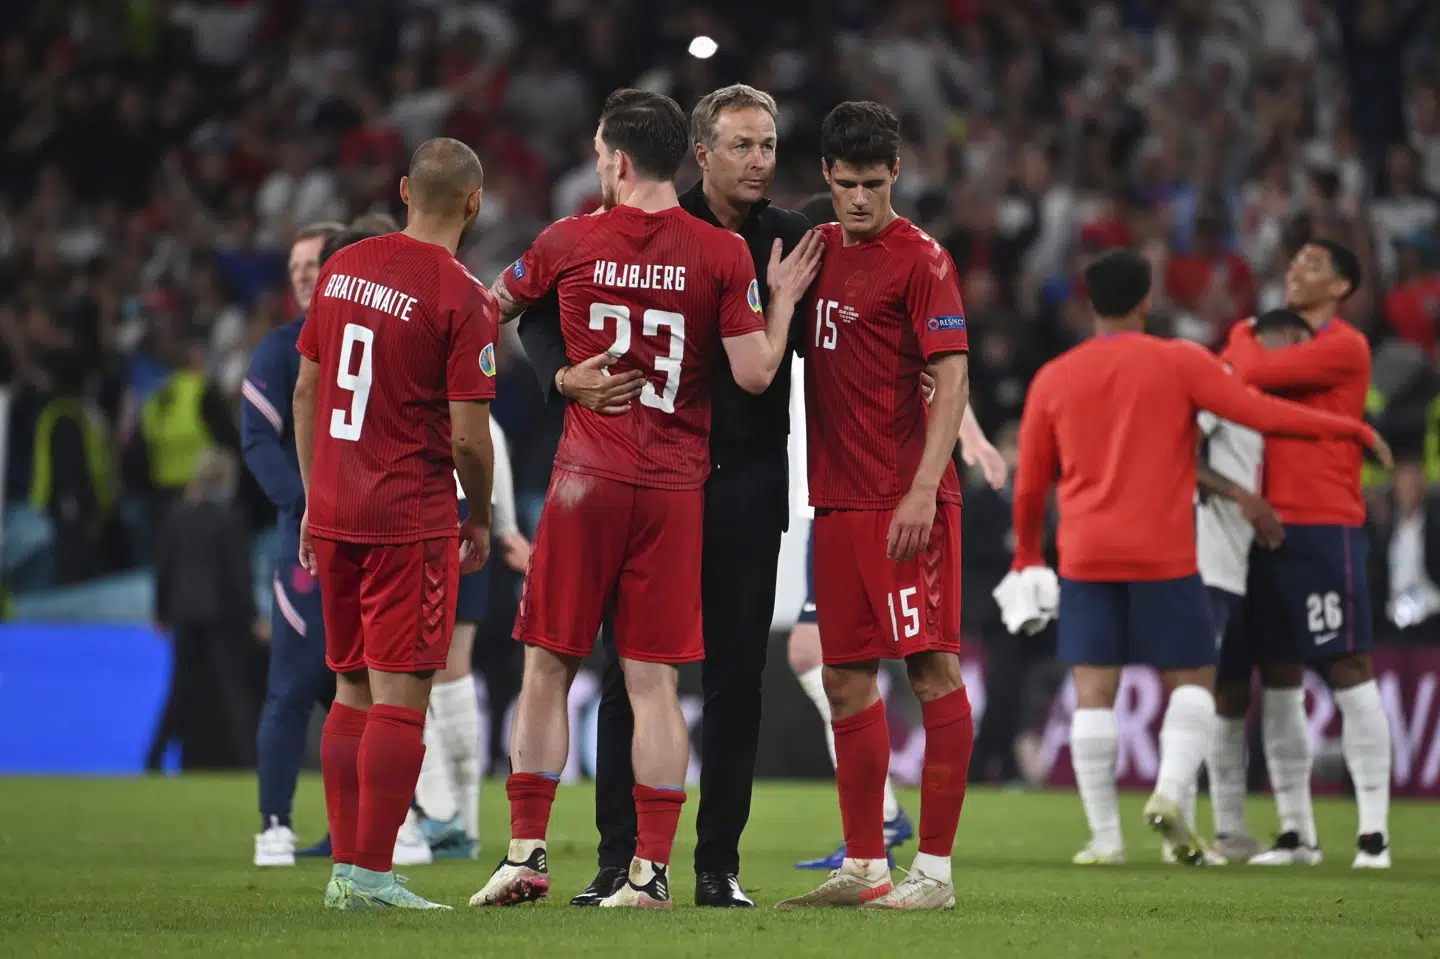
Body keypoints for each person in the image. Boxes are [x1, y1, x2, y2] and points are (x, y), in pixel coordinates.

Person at [469, 88, 822, 910]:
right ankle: (651, 873)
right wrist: (786, 304)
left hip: (586, 478)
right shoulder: (721, 254)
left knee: (550, 664)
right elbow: (759, 374)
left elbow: (491, 307)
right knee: (655, 682)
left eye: (599, 153)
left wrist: (562, 378)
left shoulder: (568, 239)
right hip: (676, 486)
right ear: (684, 156)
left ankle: (526, 853)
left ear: (619, 159)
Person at [1008, 249, 1388, 867]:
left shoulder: (1053, 377)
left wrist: (1028, 553)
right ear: (1145, 302)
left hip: (1085, 552)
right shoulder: (1180, 361)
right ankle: (1168, 791)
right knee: (1194, 682)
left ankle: (1106, 840)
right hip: (1164, 552)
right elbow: (1259, 411)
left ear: (1088, 303)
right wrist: (1351, 430)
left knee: (1093, 692)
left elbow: (1030, 484)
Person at [777, 100, 976, 912]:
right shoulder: (813, 251)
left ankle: (934, 871)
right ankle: (865, 865)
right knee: (847, 680)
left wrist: (925, 487)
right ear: (825, 175)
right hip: (836, 502)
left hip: (906, 502)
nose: (859, 199)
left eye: (873, 183)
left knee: (932, 669)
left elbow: (953, 378)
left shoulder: (923, 259)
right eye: (845, 184)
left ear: (896, 173)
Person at [293, 137, 499, 910]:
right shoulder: (464, 297)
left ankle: (348, 870)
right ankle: (372, 873)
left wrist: (316, 498)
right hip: (406, 517)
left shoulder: (343, 267)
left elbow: (308, 390)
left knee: (349, 689)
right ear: (473, 204)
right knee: (400, 696)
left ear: (407, 189)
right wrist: (476, 516)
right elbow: (471, 438)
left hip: (338, 508)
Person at [1221, 240, 1393, 869]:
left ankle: (1373, 833)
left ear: (1344, 287)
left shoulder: (1345, 345)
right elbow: (1230, 380)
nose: (1297, 270)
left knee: (1349, 669)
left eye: (1314, 265)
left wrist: (1241, 330)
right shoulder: (1275, 340)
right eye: (1294, 262)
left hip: (1323, 527)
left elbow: (1249, 373)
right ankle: (1298, 834)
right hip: (1263, 530)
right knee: (1280, 680)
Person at [1190, 308, 1312, 866]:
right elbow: (1181, 450)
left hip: (1244, 563)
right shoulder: (1226, 380)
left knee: (1229, 692)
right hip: (1208, 560)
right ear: (1269, 337)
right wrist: (1240, 495)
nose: (1298, 358)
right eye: (1293, 343)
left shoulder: (1270, 396)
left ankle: (1232, 829)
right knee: (1200, 689)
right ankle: (1186, 827)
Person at [246, 220, 343, 866]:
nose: (305, 274)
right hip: (307, 543)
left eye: (315, 263)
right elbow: (258, 440)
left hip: (370, 534)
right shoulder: (280, 350)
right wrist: (309, 506)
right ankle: (275, 823)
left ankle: (361, 829)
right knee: (292, 683)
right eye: (297, 266)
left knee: (357, 691)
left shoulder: (362, 341)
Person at [414, 413, 530, 859]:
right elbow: (488, 436)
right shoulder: (477, 400)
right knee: (454, 672)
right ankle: (466, 820)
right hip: (471, 512)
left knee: (401, 668)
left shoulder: (410, 377)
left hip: (419, 509)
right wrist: (506, 528)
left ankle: (437, 812)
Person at [152, 448, 263, 770]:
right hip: (221, 615)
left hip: (184, 612)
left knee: (179, 689)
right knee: (235, 691)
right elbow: (239, 574)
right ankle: (249, 763)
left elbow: (164, 568)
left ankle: (153, 758)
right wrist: (253, 617)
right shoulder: (231, 520)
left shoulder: (177, 515)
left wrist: (161, 613)